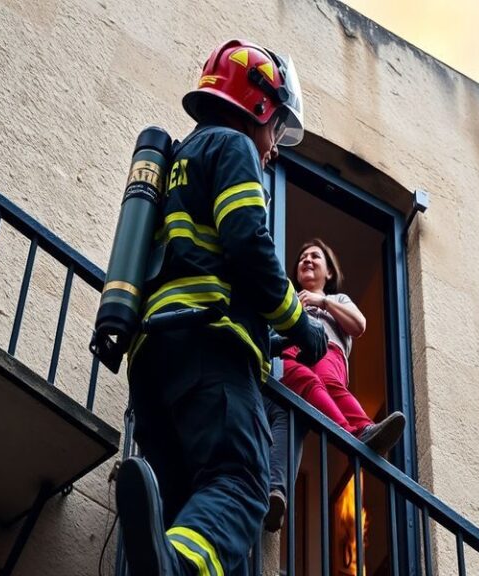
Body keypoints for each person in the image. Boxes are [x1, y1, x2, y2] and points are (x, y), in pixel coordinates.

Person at [114, 39, 327, 576]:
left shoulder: (177, 161)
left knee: (187, 500)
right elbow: (247, 243)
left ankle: (166, 557)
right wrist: (300, 324)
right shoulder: (231, 147)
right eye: (277, 128)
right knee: (243, 481)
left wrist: (269, 336)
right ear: (257, 108)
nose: (274, 147)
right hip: (209, 352)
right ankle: (180, 568)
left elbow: (194, 259)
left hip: (153, 364)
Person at [263, 239, 406, 531]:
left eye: (316, 256)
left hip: (329, 352)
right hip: (290, 352)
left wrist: (323, 302)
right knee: (302, 380)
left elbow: (359, 325)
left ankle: (364, 430)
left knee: (326, 382)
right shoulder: (289, 298)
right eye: (302, 257)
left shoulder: (338, 300)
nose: (307, 260)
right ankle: (357, 434)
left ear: (329, 272)